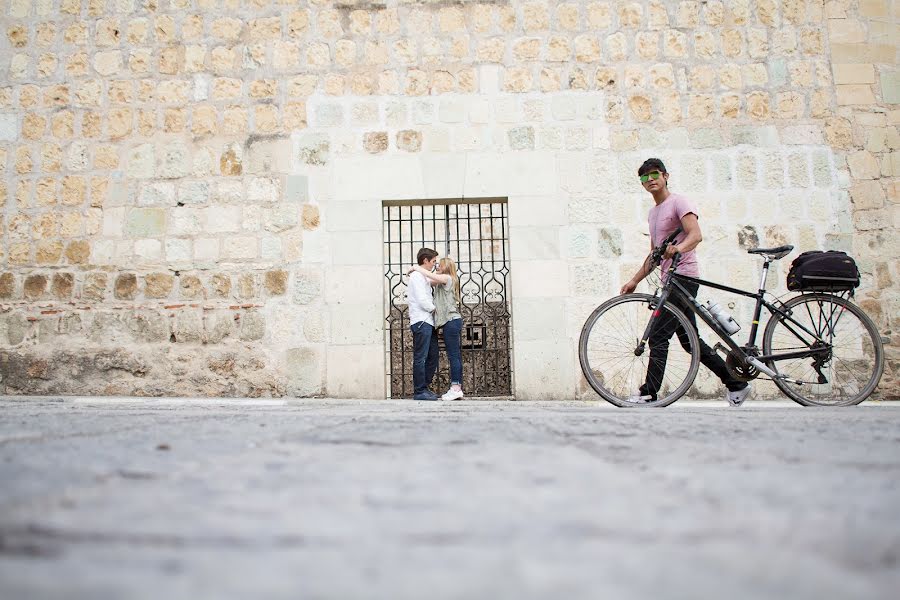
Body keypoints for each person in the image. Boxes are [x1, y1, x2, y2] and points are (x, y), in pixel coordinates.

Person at [620, 158, 751, 406]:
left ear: (666, 175)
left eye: (654, 174)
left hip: (684, 278)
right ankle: (736, 383)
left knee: (658, 336)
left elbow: (695, 235)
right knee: (691, 343)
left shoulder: (678, 202)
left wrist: (678, 249)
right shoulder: (653, 213)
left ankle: (649, 391)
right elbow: (655, 255)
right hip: (669, 280)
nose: (650, 180)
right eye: (644, 178)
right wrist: (635, 280)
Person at [409, 257, 464, 400]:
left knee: (454, 356)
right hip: (447, 322)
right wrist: (415, 274)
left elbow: (430, 276)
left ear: (446, 267)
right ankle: (452, 388)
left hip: (451, 321)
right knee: (452, 355)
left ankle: (456, 388)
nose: (437, 266)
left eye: (440, 264)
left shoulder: (447, 277)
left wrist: (416, 267)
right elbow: (425, 281)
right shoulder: (441, 281)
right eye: (435, 263)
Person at [408, 247, 439, 400]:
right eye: (433, 261)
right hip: (421, 321)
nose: (434, 264)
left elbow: (436, 279)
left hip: (428, 322)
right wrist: (436, 310)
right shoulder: (416, 277)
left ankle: (424, 388)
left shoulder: (422, 276)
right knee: (421, 357)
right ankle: (419, 391)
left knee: (433, 356)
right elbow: (422, 300)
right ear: (425, 260)